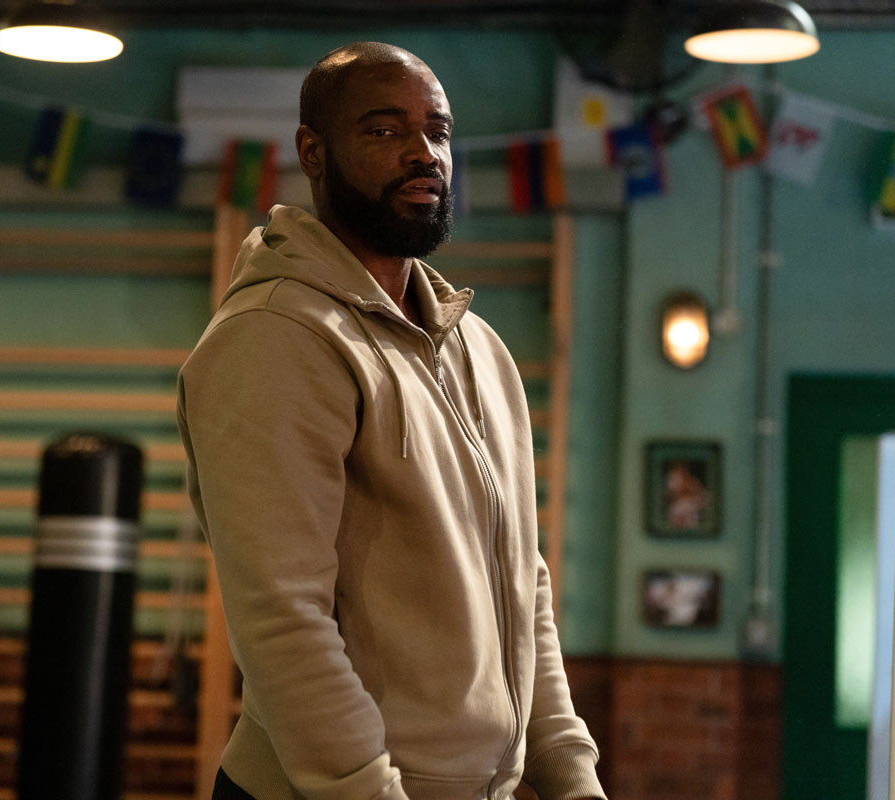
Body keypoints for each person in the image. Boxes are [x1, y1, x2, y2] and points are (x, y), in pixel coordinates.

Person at [177, 42, 606, 800]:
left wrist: (571, 776)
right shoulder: (275, 337)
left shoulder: (480, 349)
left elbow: (523, 586)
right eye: (383, 130)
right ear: (313, 152)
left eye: (437, 131)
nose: (422, 153)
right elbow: (283, 617)